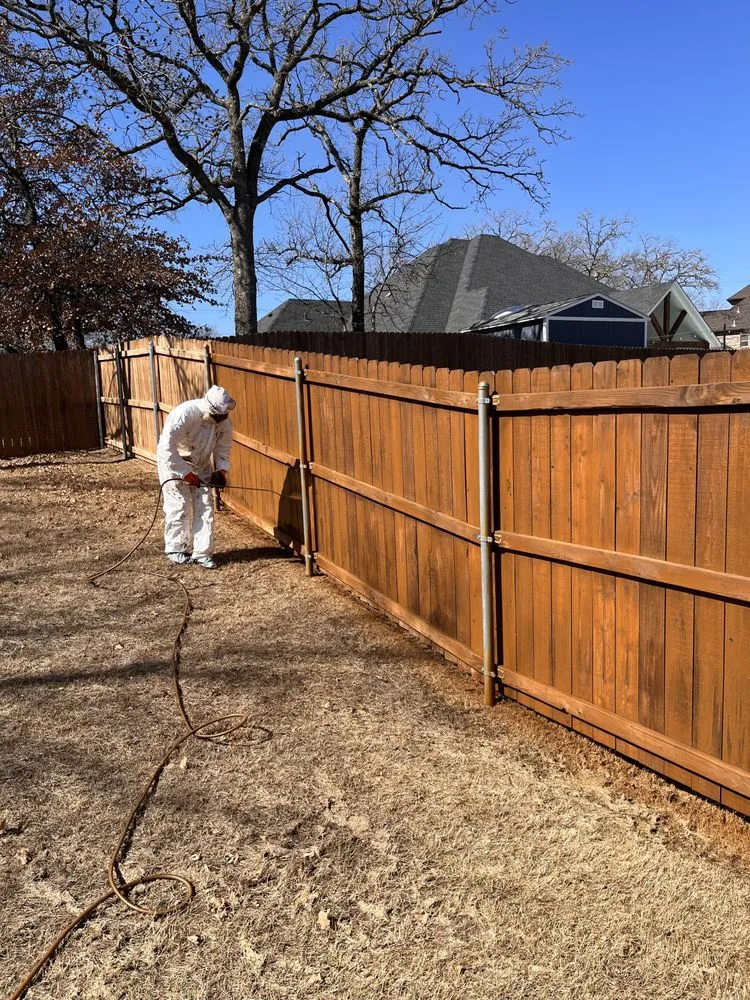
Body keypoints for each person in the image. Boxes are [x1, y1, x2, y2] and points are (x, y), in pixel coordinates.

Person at [156, 384, 236, 569]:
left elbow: (223, 448)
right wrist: (184, 473)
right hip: (175, 463)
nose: (220, 419)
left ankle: (202, 553)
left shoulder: (224, 421)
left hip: (202, 464)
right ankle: (176, 548)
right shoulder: (184, 414)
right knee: (179, 505)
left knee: (205, 506)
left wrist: (221, 470)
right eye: (217, 416)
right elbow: (166, 448)